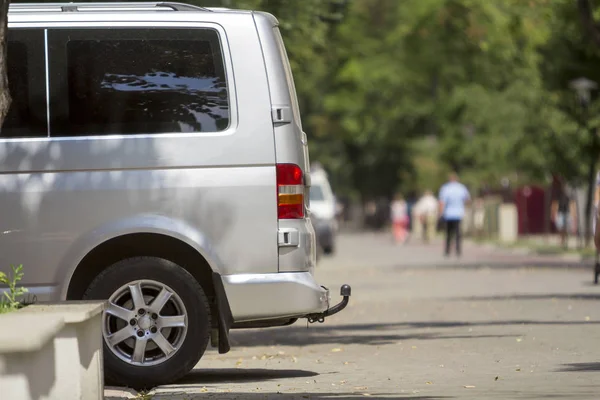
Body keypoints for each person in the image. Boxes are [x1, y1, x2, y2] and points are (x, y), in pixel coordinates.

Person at [438, 172, 471, 257]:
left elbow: (442, 202)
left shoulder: (445, 188)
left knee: (449, 233)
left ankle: (447, 250)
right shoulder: (461, 188)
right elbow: (467, 199)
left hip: (448, 213)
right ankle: (458, 250)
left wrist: (440, 213)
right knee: (458, 232)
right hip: (459, 213)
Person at [551, 184, 576, 248]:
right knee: (560, 227)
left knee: (566, 228)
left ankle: (564, 240)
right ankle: (561, 239)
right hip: (560, 213)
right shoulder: (558, 195)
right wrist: (553, 213)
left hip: (567, 213)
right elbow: (555, 204)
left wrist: (573, 215)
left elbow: (572, 205)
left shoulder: (570, 195)